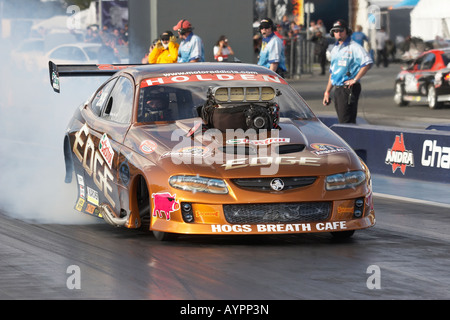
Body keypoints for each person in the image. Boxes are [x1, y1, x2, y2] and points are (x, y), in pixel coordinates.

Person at [322, 19, 373, 124]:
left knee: (346, 121)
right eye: (336, 31)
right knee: (343, 120)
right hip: (338, 89)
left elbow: (367, 63)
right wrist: (327, 92)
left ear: (347, 31)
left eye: (341, 30)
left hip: (348, 89)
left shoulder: (354, 47)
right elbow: (333, 72)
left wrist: (355, 79)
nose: (338, 33)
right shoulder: (335, 49)